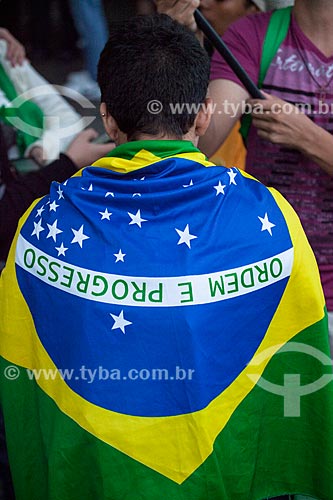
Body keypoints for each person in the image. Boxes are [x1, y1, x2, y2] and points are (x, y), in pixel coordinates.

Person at [0, 13, 332, 500]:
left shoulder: (40, 225)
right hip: (225, 477)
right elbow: (293, 360)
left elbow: (24, 370)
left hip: (96, 478)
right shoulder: (271, 218)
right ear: (201, 115)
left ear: (108, 117)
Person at [156, 0, 333, 351]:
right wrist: (173, 43)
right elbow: (195, 143)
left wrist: (308, 137)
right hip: (269, 282)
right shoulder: (253, 35)